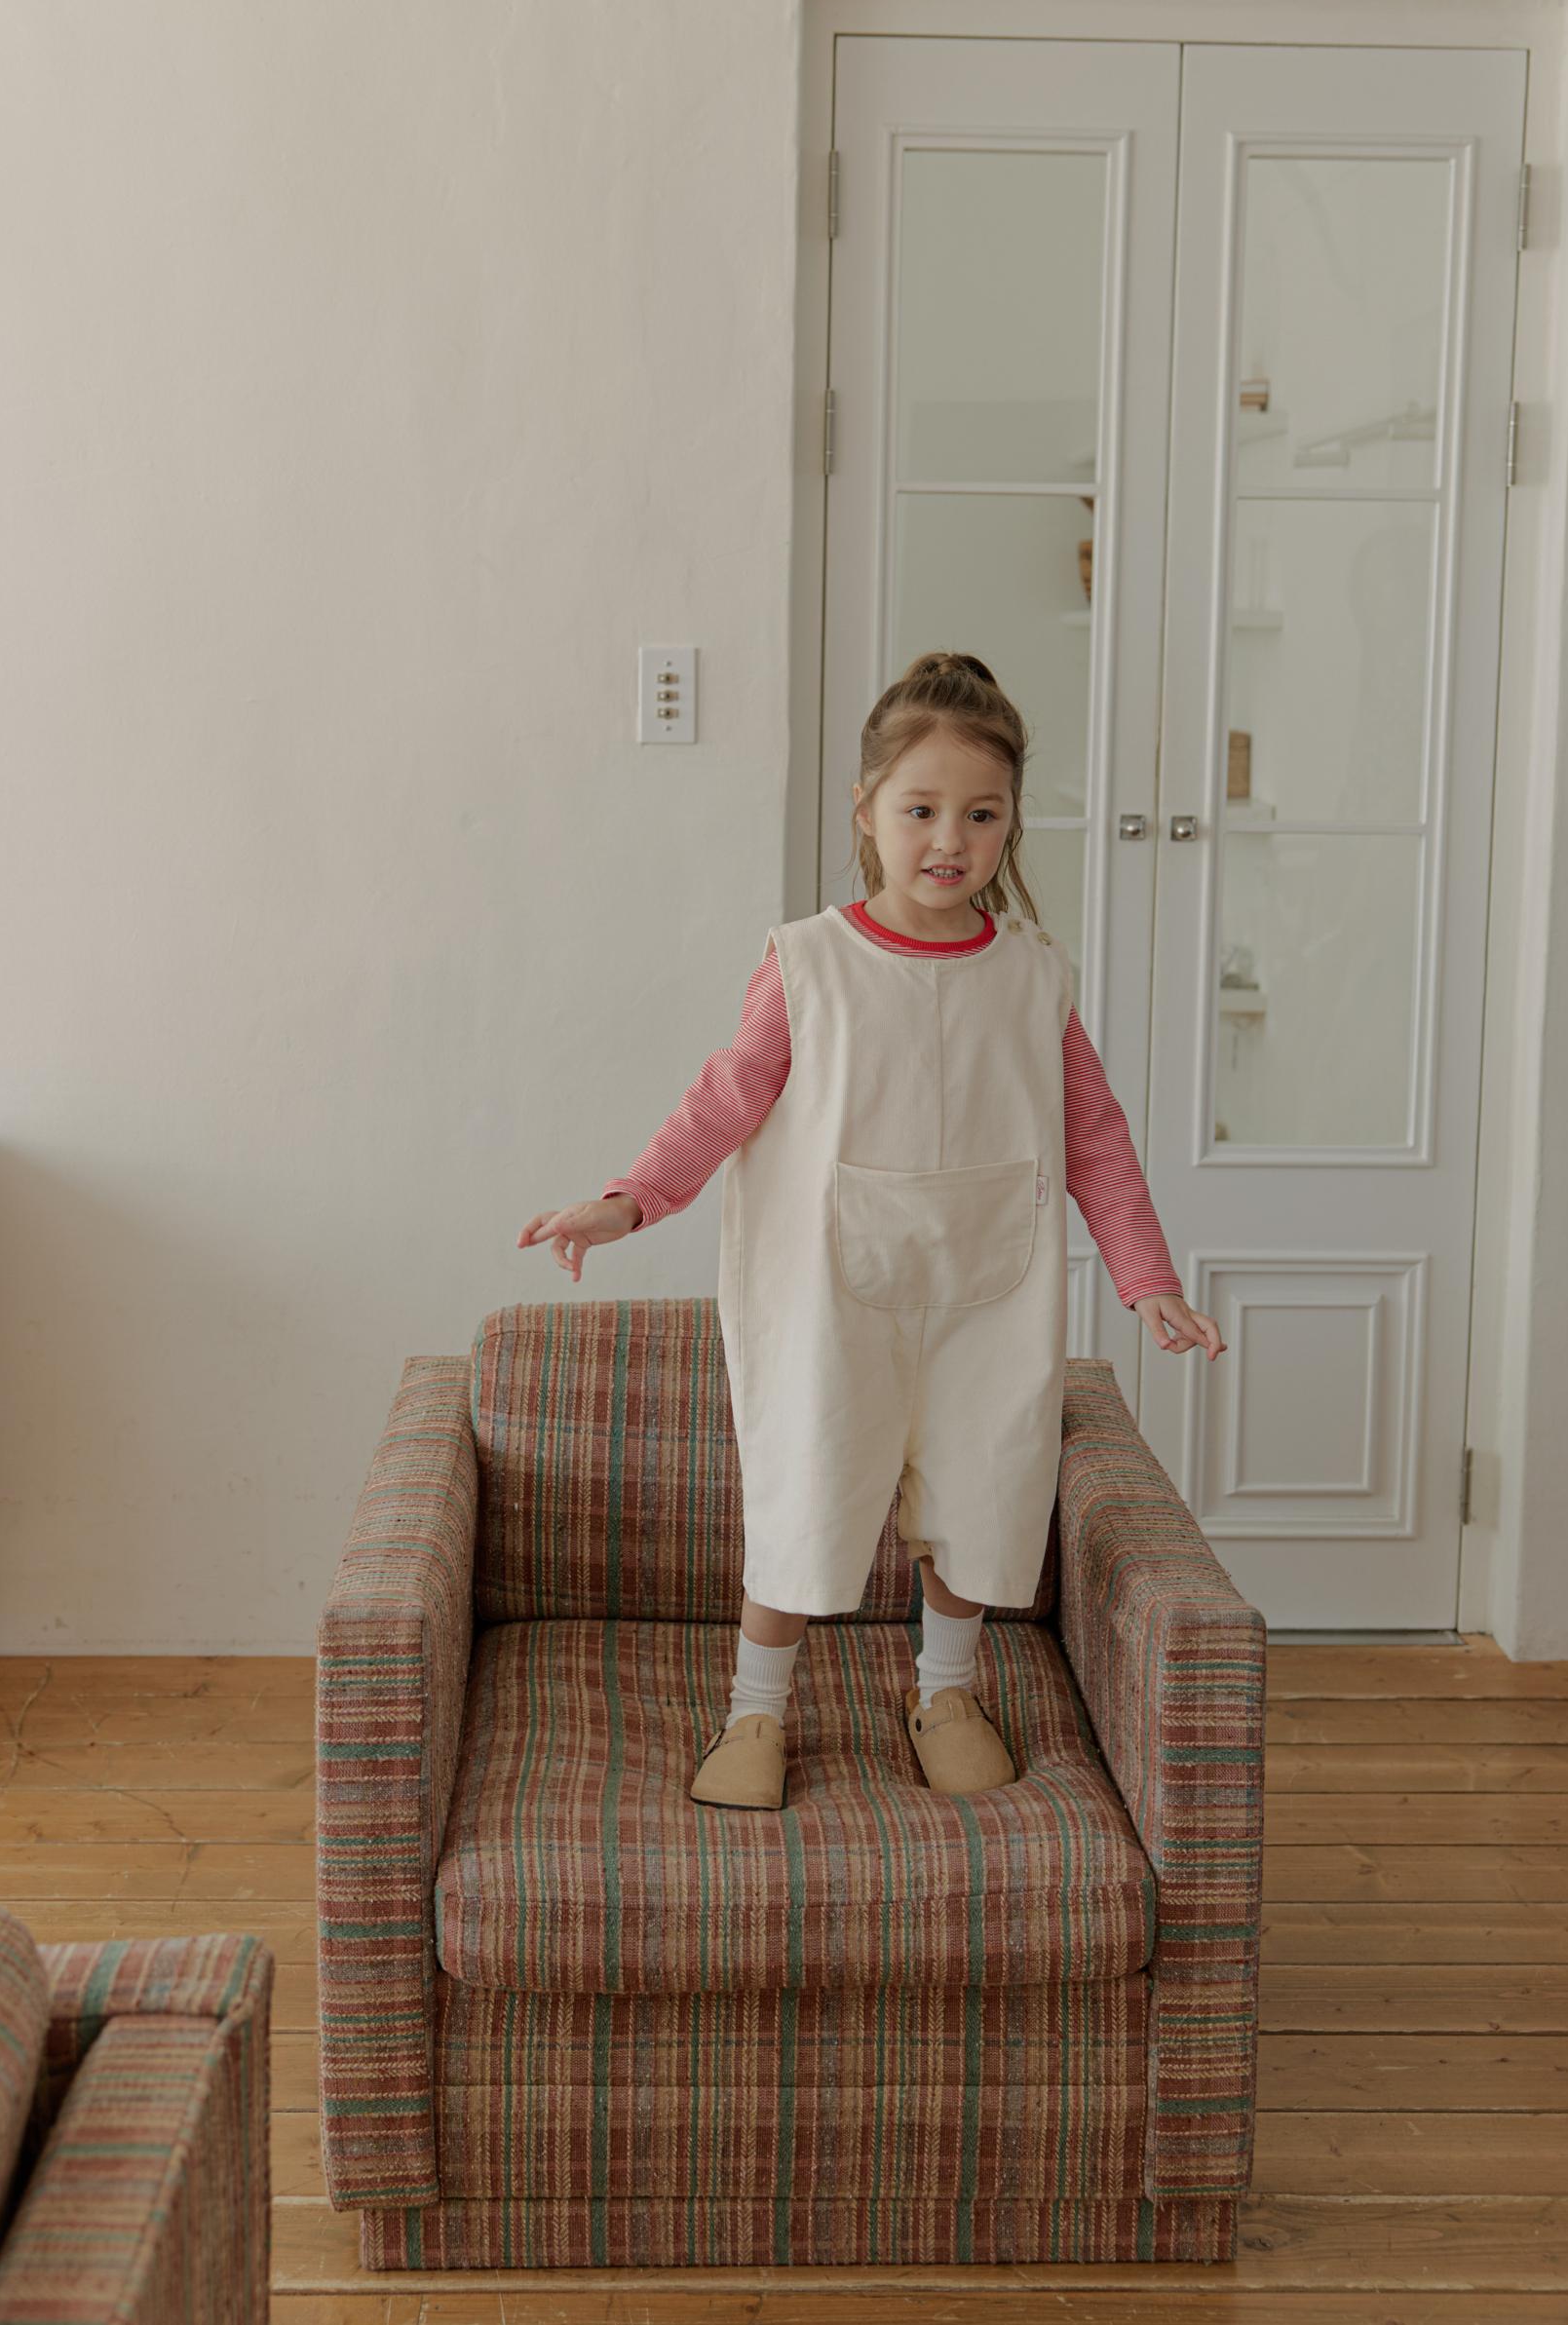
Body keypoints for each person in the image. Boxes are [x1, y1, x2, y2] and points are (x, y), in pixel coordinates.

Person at [516, 651, 1224, 1812]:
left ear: (1012, 823)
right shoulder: (811, 963)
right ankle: (756, 1711)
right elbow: (727, 1096)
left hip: (990, 1291)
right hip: (830, 1294)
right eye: (921, 809)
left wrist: (1147, 1278)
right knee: (810, 1487)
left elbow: (1094, 1134)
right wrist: (630, 1198)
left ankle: (945, 1693)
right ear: (866, 811)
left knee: (984, 1492)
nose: (951, 839)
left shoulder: (1034, 976)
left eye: (982, 814)